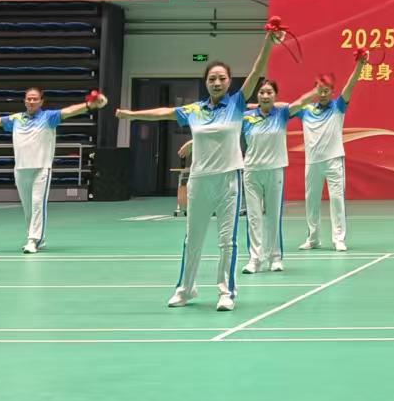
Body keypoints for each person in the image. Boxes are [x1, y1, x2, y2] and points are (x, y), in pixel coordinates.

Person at [117, 30, 278, 310]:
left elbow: (256, 71)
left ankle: (226, 293)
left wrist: (268, 42)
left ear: (229, 82)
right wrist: (131, 115)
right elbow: (165, 112)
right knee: (193, 239)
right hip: (199, 181)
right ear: (206, 82)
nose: (217, 82)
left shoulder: (237, 104)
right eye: (212, 78)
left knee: (227, 241)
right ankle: (186, 289)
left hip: (228, 180)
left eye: (222, 78)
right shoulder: (195, 110)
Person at [0, 87, 109, 253]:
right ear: (25, 101)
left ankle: (33, 240)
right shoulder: (17, 118)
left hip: (41, 168)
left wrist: (89, 105)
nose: (32, 101)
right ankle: (38, 239)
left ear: (41, 101)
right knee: (28, 208)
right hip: (21, 169)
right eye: (29, 98)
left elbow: (69, 111)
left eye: (35, 98)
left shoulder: (48, 117)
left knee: (37, 204)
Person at [295, 51, 368, 253]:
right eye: (320, 90)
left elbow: (350, 86)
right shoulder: (306, 110)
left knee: (337, 201)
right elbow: (287, 107)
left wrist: (360, 65)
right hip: (312, 162)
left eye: (327, 90)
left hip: (334, 161)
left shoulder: (338, 107)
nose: (323, 94)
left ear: (332, 92)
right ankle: (313, 238)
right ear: (316, 90)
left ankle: (338, 239)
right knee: (311, 201)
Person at [241, 78, 291, 275]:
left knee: (273, 217)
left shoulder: (282, 114)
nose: (265, 95)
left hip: (274, 170)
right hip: (251, 171)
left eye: (269, 92)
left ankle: (275, 258)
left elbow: (298, 104)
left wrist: (272, 105)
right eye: (262, 92)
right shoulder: (246, 117)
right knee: (254, 218)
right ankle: (255, 260)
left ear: (275, 95)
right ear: (257, 95)